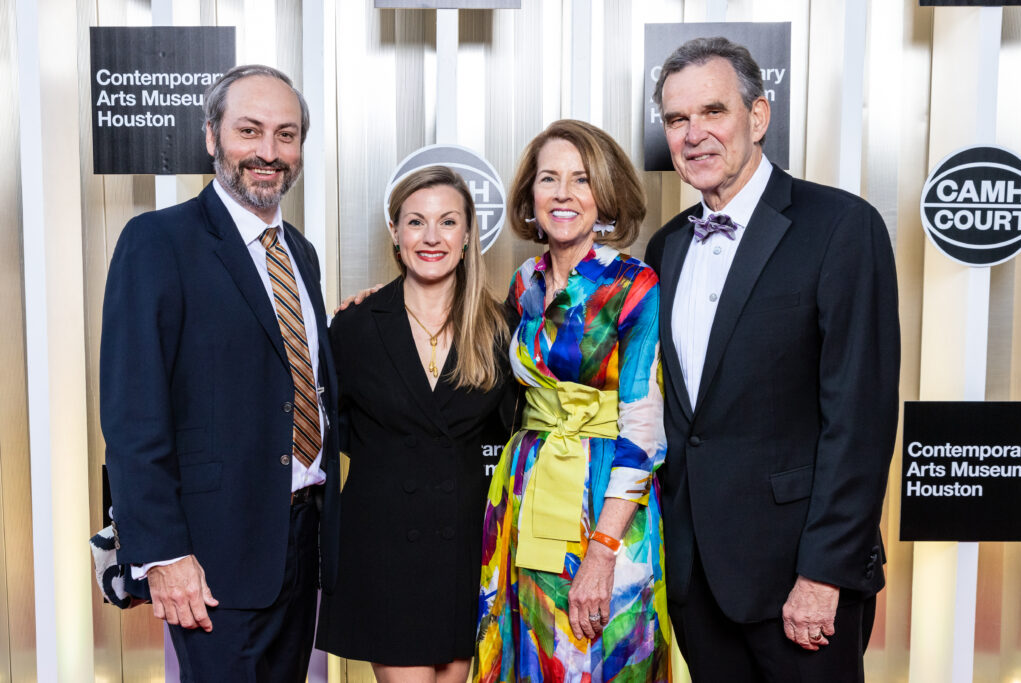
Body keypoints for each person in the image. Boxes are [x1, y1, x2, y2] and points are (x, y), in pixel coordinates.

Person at [644, 37, 900, 682]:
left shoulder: (841, 226)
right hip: (697, 578)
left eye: (713, 112)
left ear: (758, 117)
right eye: (677, 120)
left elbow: (859, 420)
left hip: (798, 579)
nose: (694, 135)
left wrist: (823, 574)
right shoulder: (666, 246)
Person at [100, 64, 340, 681]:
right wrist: (163, 554)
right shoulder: (158, 241)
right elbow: (133, 415)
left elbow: (293, 380)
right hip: (210, 553)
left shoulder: (300, 253)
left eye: (286, 135)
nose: (269, 152)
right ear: (212, 137)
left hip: (301, 540)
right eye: (250, 131)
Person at [476, 119, 670, 683]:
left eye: (581, 180)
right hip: (528, 488)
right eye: (549, 179)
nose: (563, 194)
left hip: (605, 498)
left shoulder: (636, 285)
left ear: (604, 195)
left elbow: (643, 428)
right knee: (532, 654)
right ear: (529, 196)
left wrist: (604, 550)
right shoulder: (524, 282)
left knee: (599, 653)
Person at [316, 166, 511, 683]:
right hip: (387, 549)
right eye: (415, 222)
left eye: (447, 222)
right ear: (396, 235)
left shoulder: (498, 329)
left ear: (468, 235)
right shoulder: (355, 326)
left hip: (468, 549)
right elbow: (335, 429)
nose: (431, 237)